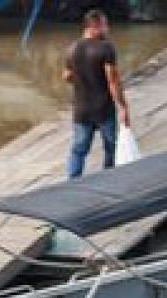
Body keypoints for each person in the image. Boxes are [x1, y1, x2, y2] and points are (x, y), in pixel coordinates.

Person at [63, 8, 131, 180]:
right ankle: (109, 179)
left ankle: (72, 182)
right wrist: (122, 107)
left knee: (79, 150)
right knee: (110, 147)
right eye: (105, 25)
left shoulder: (72, 48)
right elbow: (113, 81)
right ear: (94, 27)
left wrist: (83, 79)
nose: (107, 29)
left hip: (81, 109)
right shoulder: (106, 48)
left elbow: (66, 76)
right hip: (103, 109)